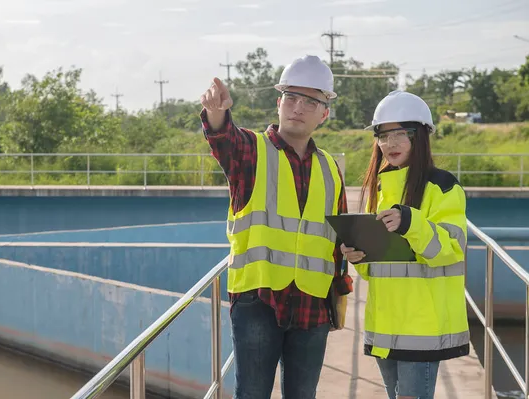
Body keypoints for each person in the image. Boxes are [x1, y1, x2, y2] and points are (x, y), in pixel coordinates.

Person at [199, 55, 351, 399]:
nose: (299, 107)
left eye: (311, 101)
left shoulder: (330, 169)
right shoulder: (251, 150)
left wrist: (346, 268)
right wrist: (217, 113)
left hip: (313, 303)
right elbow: (223, 138)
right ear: (279, 103)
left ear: (324, 113)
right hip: (259, 299)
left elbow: (338, 237)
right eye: (292, 98)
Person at [341, 90, 469, 399]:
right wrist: (360, 256)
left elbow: (452, 249)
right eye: (383, 136)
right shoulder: (384, 189)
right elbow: (381, 269)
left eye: (400, 134)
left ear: (421, 136)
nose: (390, 144)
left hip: (422, 326)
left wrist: (411, 223)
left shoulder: (443, 186)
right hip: (386, 323)